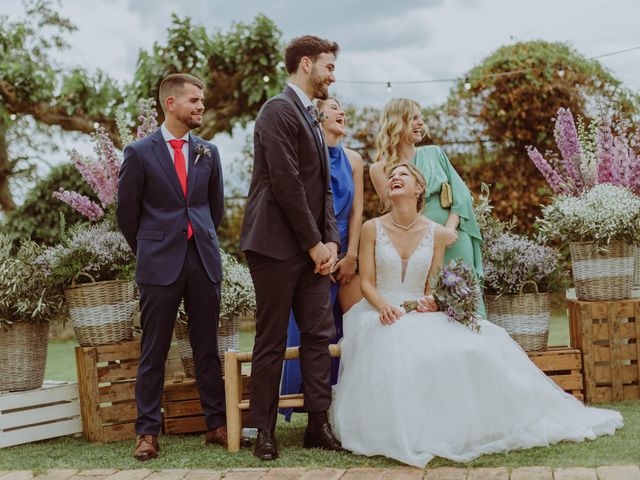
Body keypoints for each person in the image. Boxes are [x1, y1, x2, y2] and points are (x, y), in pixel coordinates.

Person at [330, 163, 623, 468]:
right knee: (400, 343)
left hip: (421, 310)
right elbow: (366, 283)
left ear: (419, 189)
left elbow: (432, 283)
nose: (394, 178)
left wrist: (432, 300)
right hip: (380, 308)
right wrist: (384, 308)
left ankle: (478, 422)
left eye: (403, 174)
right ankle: (405, 427)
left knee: (480, 342)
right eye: (392, 176)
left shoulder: (436, 233)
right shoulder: (371, 228)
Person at [240, 35, 344, 460]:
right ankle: (262, 429)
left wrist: (332, 240)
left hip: (314, 249)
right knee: (271, 338)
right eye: (328, 67)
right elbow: (287, 186)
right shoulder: (276, 111)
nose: (332, 76)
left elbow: (322, 192)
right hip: (274, 245)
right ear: (306, 64)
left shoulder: (312, 117)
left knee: (319, 335)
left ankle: (317, 424)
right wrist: (314, 244)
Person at [117, 73, 227, 461]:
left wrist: (199, 241)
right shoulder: (139, 152)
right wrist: (152, 247)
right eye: (194, 100)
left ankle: (216, 424)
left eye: (201, 100)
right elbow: (126, 216)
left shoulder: (209, 152)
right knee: (154, 350)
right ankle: (147, 433)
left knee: (207, 348)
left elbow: (215, 211)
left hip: (203, 261)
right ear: (171, 104)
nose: (201, 106)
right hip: (158, 264)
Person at [280, 97, 364, 421]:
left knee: (342, 327)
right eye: (334, 107)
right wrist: (317, 251)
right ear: (318, 115)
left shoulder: (354, 159)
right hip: (311, 252)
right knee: (307, 329)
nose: (342, 112)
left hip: (345, 252)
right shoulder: (306, 156)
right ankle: (302, 401)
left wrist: (351, 255)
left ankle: (338, 401)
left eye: (344, 107)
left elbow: (357, 211)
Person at [369, 98, 485, 317]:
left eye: (421, 118)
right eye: (414, 118)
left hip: (454, 240)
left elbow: (461, 196)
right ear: (397, 122)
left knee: (465, 302)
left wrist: (448, 231)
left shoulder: (435, 154)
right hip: (419, 248)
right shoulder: (379, 170)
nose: (421, 123)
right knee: (429, 307)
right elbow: (392, 215)